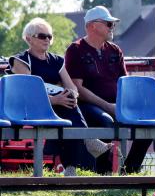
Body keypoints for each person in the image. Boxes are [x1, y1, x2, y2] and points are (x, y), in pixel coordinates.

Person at [65, 6, 151, 174]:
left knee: (149, 124)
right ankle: (102, 174)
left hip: (115, 106)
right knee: (105, 121)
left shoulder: (115, 50)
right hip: (86, 106)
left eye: (113, 24)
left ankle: (130, 171)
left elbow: (125, 83)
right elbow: (77, 88)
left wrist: (125, 107)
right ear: (92, 26)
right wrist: (108, 106)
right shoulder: (75, 50)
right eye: (109, 24)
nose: (113, 27)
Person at [9, 17, 95, 176]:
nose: (47, 39)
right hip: (29, 108)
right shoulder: (20, 60)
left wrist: (72, 95)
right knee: (68, 107)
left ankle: (71, 165)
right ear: (29, 39)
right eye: (42, 36)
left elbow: (71, 86)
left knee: (69, 102)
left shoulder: (57, 60)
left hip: (56, 106)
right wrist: (56, 99)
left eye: (49, 36)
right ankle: (82, 149)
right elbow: (29, 94)